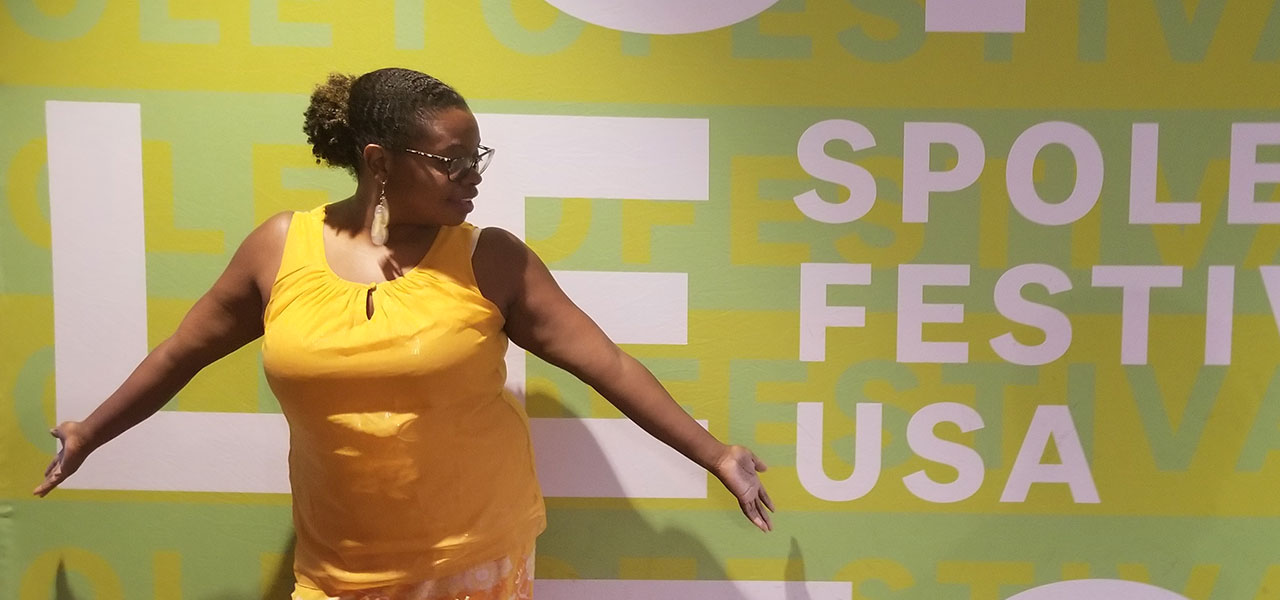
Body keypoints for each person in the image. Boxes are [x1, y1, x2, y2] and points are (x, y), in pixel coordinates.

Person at [33, 67, 774, 600]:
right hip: (335, 571)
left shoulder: (491, 259)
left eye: (477, 157)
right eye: (451, 161)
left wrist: (716, 453)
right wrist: (91, 431)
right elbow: (179, 354)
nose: (472, 175)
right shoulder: (279, 249)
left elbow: (607, 363)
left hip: (474, 565)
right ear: (378, 162)